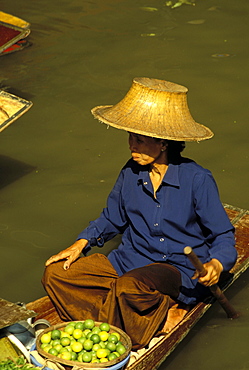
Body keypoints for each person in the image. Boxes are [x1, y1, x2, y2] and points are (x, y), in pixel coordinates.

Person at [42, 77, 237, 350]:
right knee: (56, 274)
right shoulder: (131, 171)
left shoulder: (197, 179)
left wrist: (217, 265)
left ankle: (158, 311)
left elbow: (224, 237)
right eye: (130, 137)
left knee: (127, 288)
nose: (132, 146)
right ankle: (140, 316)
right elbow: (112, 218)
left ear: (163, 143)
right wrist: (80, 244)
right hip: (128, 261)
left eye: (141, 140)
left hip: (173, 269)